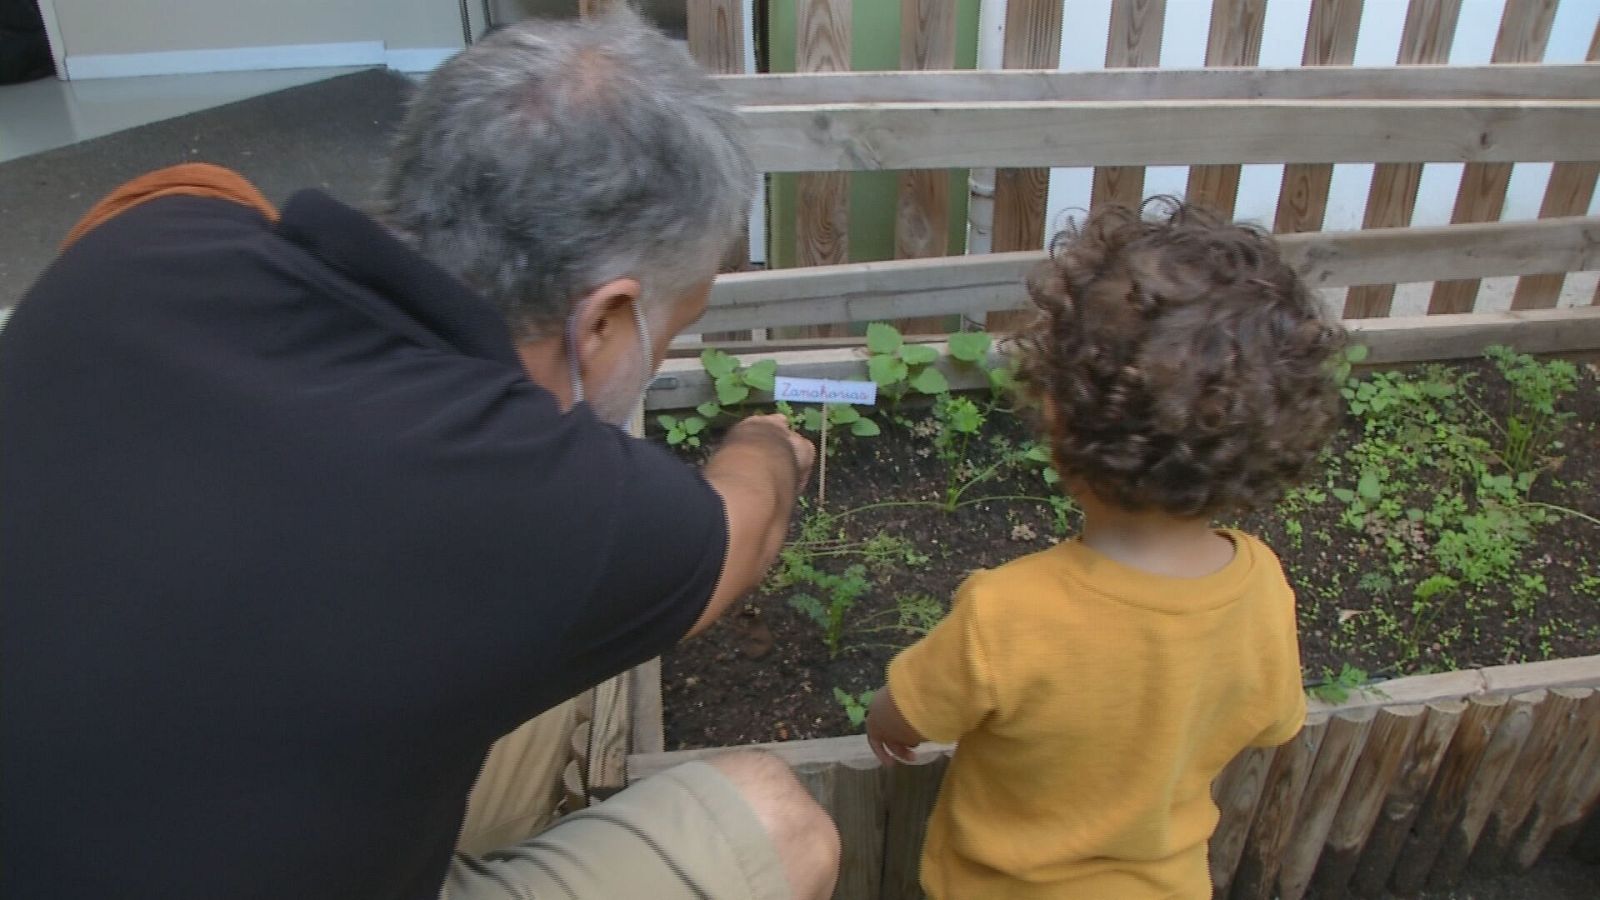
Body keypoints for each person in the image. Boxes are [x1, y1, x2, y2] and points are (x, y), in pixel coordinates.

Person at [1, 14, 839, 900]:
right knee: (776, 825)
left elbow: (209, 199)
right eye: (675, 325)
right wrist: (762, 444)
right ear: (603, 319)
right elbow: (744, 528)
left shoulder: (146, 238)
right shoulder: (542, 499)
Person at [865, 199, 1345, 899]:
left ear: (1055, 415)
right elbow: (1272, 721)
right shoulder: (1262, 586)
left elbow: (903, 713)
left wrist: (885, 723)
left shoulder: (1010, 613)